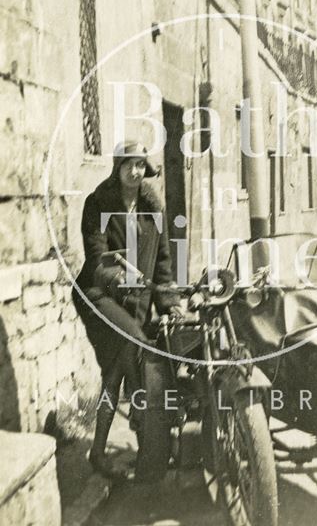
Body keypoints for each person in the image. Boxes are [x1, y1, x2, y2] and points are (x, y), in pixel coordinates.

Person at [72, 140, 180, 479]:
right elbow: (96, 256)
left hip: (136, 302)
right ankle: (149, 435)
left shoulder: (153, 208)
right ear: (117, 167)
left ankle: (101, 452)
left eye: (140, 165)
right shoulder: (98, 203)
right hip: (98, 296)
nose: (135, 171)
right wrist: (119, 278)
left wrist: (170, 303)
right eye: (128, 165)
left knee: (115, 372)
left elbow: (162, 261)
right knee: (137, 344)